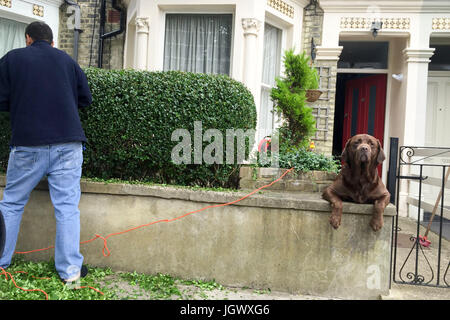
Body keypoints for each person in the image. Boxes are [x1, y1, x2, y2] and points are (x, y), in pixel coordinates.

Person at [0, 21, 92, 283]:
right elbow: (85, 98)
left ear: (28, 38)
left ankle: (1, 262)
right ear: (52, 42)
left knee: (12, 204)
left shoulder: (12, 59)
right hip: (69, 144)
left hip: (29, 144)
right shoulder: (67, 61)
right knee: (67, 208)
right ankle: (71, 272)